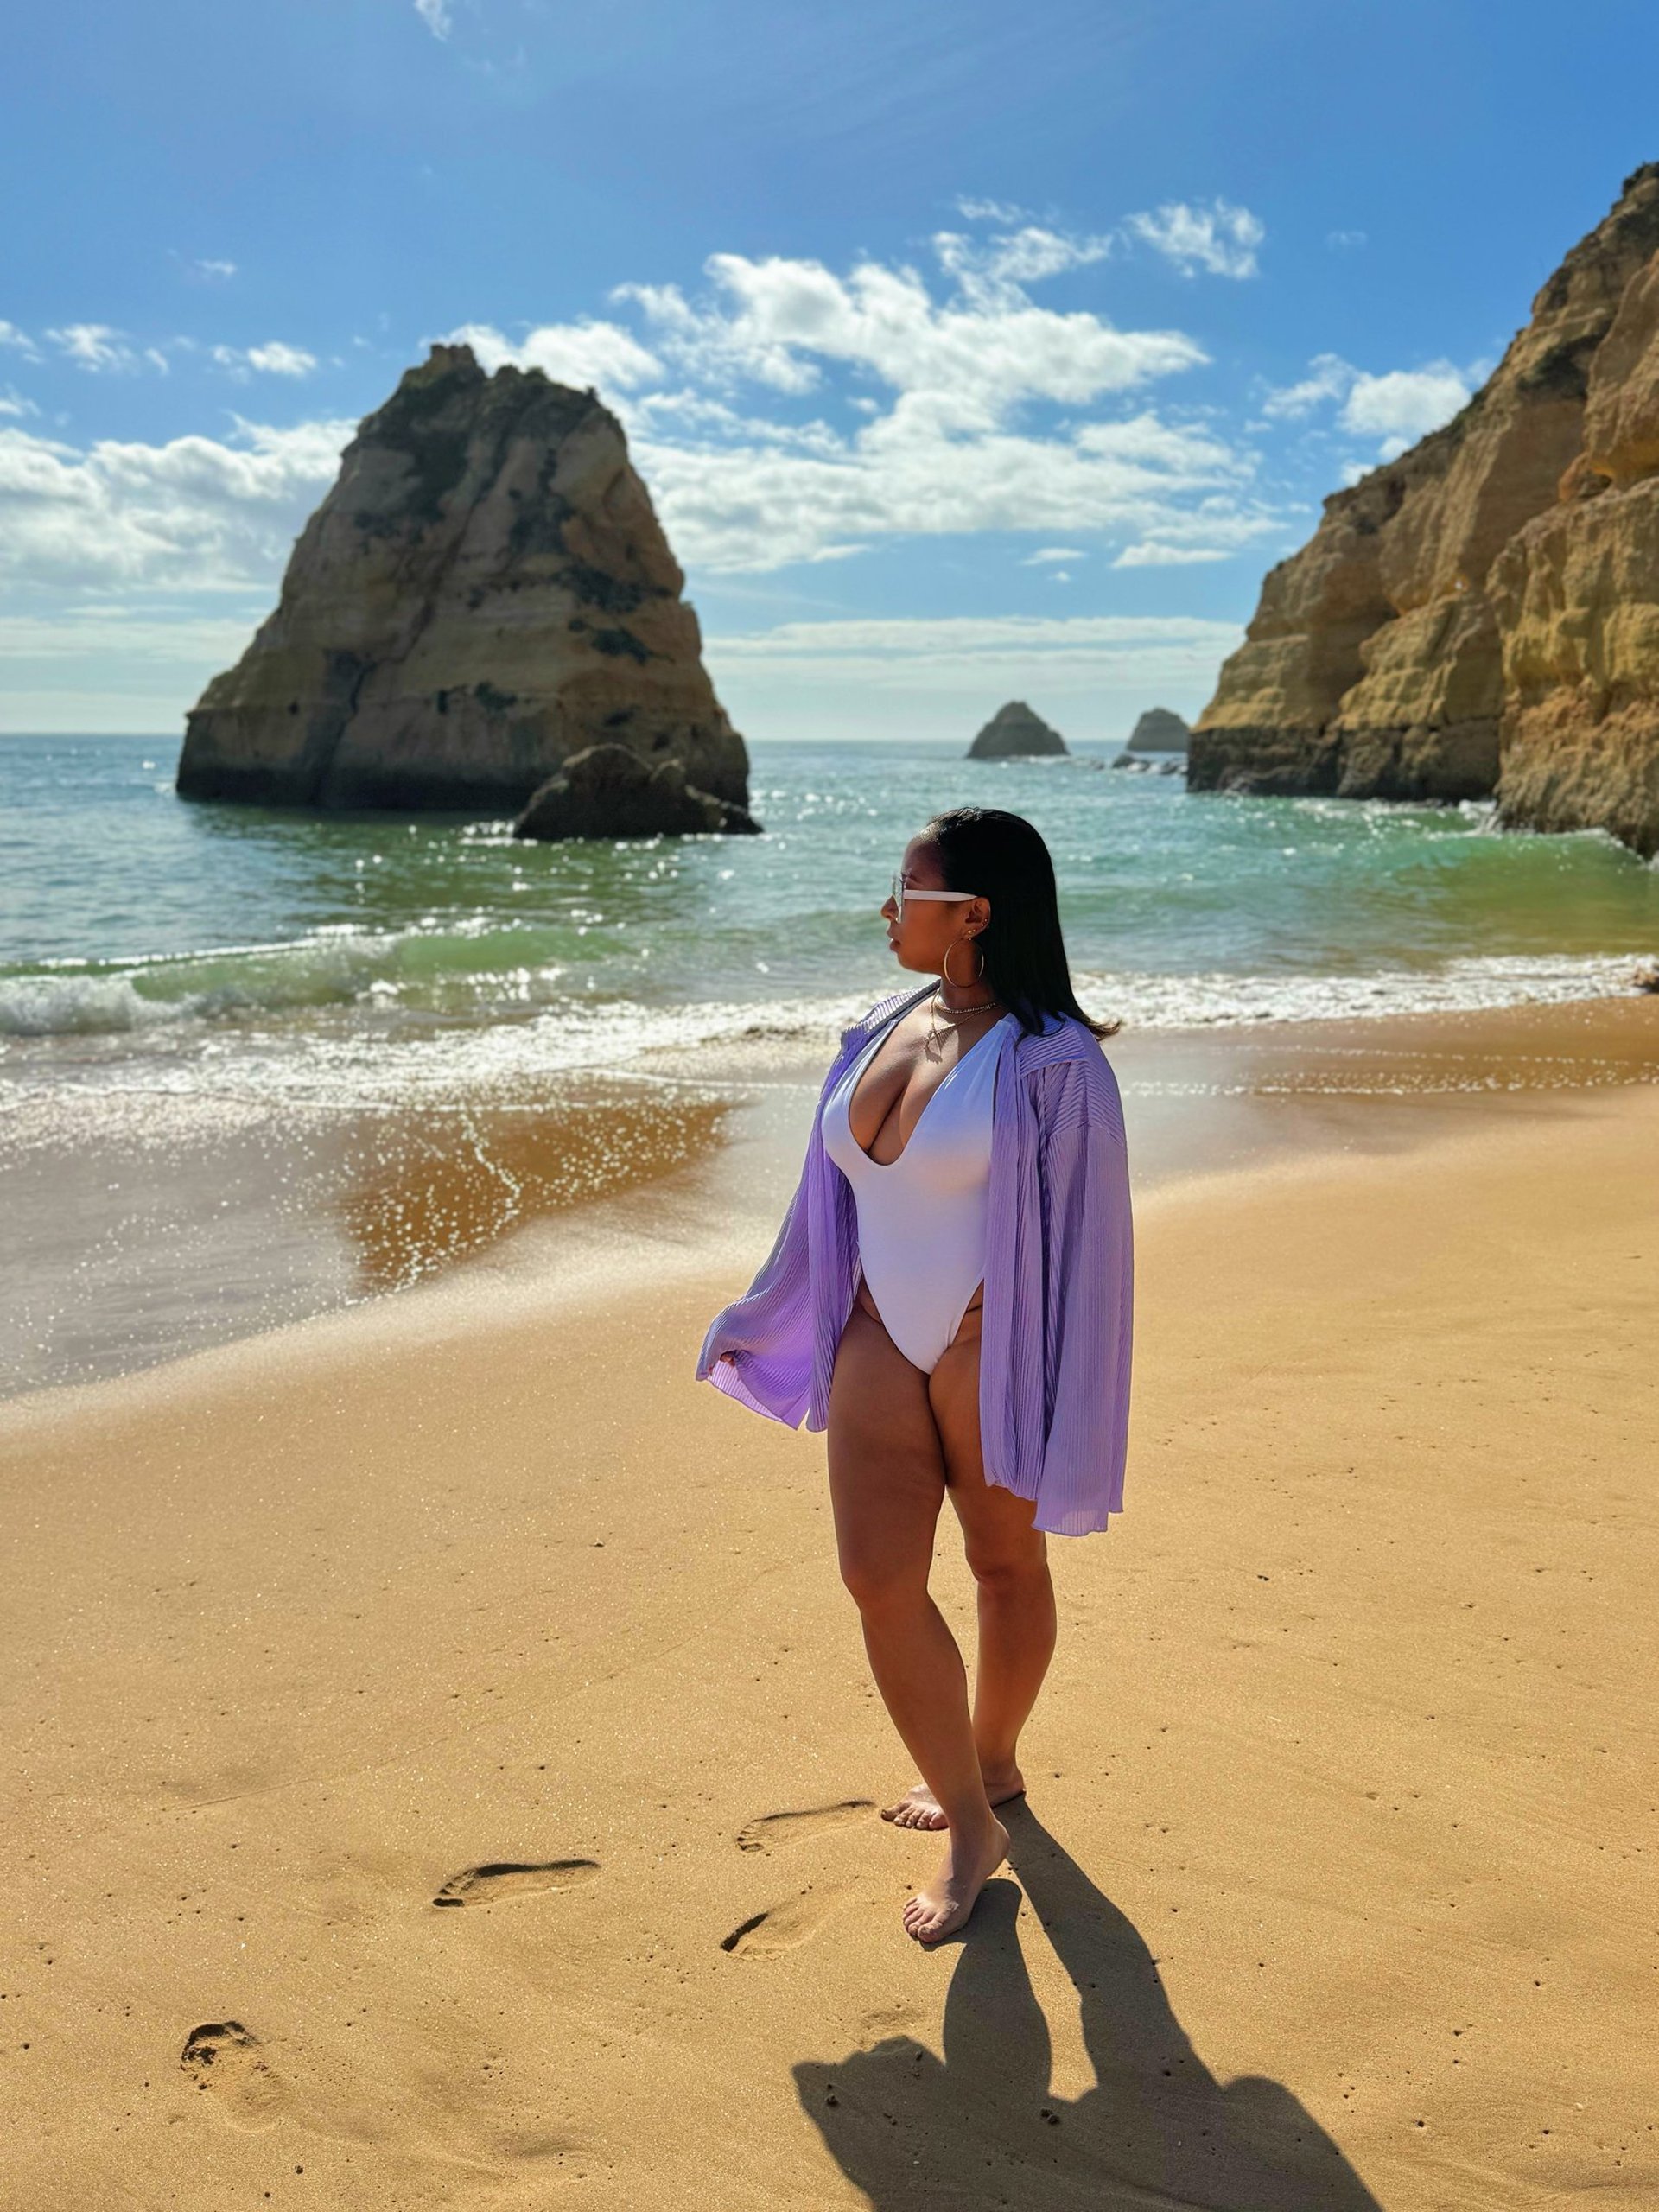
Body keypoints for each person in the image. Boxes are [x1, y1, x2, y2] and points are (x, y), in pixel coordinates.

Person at [695, 805, 1133, 1945]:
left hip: (997, 1339)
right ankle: (974, 1813)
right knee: (876, 1578)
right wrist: (771, 1305)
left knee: (1003, 1563)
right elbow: (832, 1200)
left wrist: (1065, 1390)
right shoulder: (875, 1026)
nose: (889, 909)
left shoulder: (1058, 1065)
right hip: (878, 1333)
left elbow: (1092, 1250)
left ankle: (987, 1771)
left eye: (909, 890)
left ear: (974, 914)